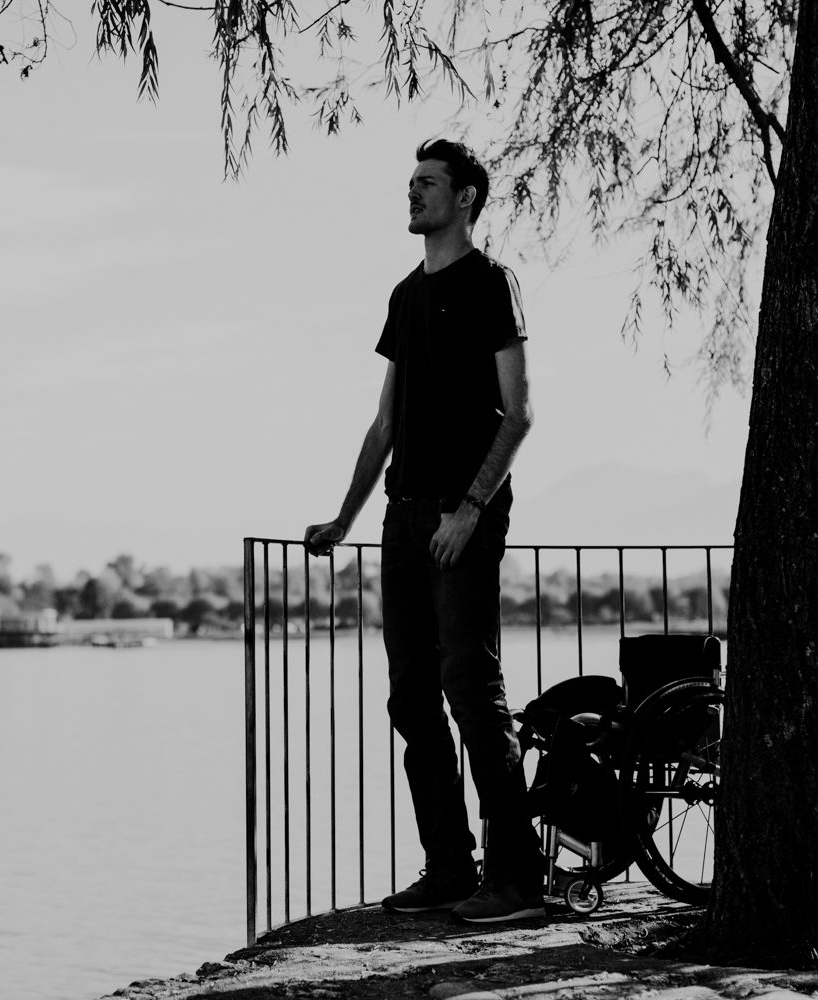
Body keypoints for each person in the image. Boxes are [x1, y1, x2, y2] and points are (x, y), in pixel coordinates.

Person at [304, 138, 543, 923]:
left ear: (466, 197)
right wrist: (344, 517)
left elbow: (519, 414)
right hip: (401, 517)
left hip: (460, 514)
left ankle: (517, 881)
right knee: (411, 698)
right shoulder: (405, 296)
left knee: (472, 693)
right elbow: (385, 424)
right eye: (410, 182)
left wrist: (469, 510)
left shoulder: (491, 282)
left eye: (428, 182)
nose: (412, 192)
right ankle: (449, 867)